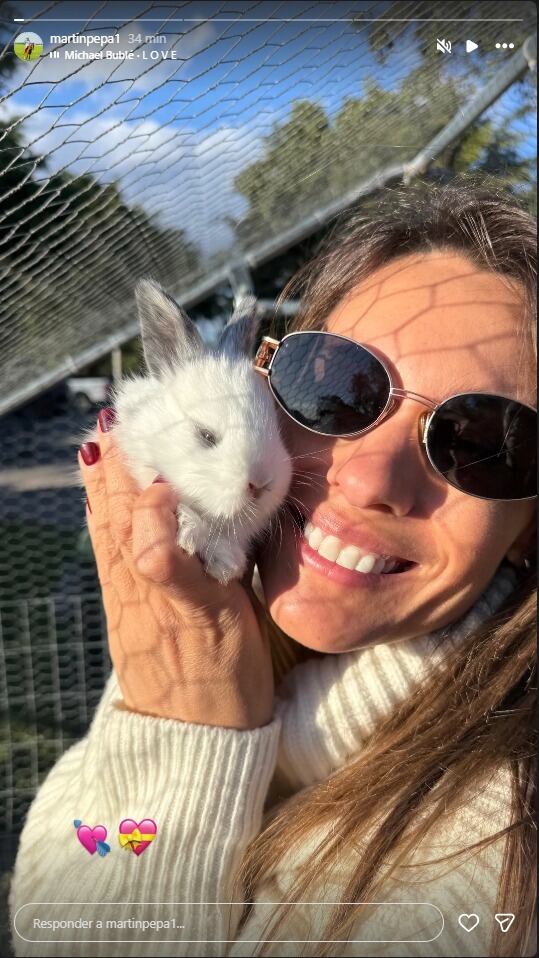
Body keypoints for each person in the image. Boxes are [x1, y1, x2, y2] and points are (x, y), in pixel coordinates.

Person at [10, 178, 536, 957]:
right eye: (333, 387)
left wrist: (191, 725)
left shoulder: (492, 857)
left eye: (480, 440)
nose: (363, 481)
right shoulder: (196, 625)